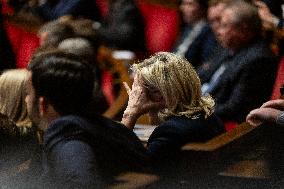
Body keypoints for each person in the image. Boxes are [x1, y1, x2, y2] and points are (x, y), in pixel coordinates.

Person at [24, 51, 147, 188]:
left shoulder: (66, 133)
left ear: (43, 104)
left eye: (29, 93)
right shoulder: (114, 129)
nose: (26, 99)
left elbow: (81, 182)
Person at [121, 52, 224, 162]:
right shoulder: (210, 117)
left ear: (160, 95)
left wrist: (130, 114)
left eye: (140, 91)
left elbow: (124, 165)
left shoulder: (169, 133)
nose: (137, 96)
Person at [199, 1, 278, 123]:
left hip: (214, 122)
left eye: (225, 25)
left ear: (243, 30)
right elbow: (203, 74)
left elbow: (233, 109)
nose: (219, 31)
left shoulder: (258, 60)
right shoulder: (228, 45)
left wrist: (194, 110)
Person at [172, 0, 217, 67]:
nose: (183, 8)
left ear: (202, 8)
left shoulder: (209, 32)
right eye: (183, 4)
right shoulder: (187, 28)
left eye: (189, 4)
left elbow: (205, 64)